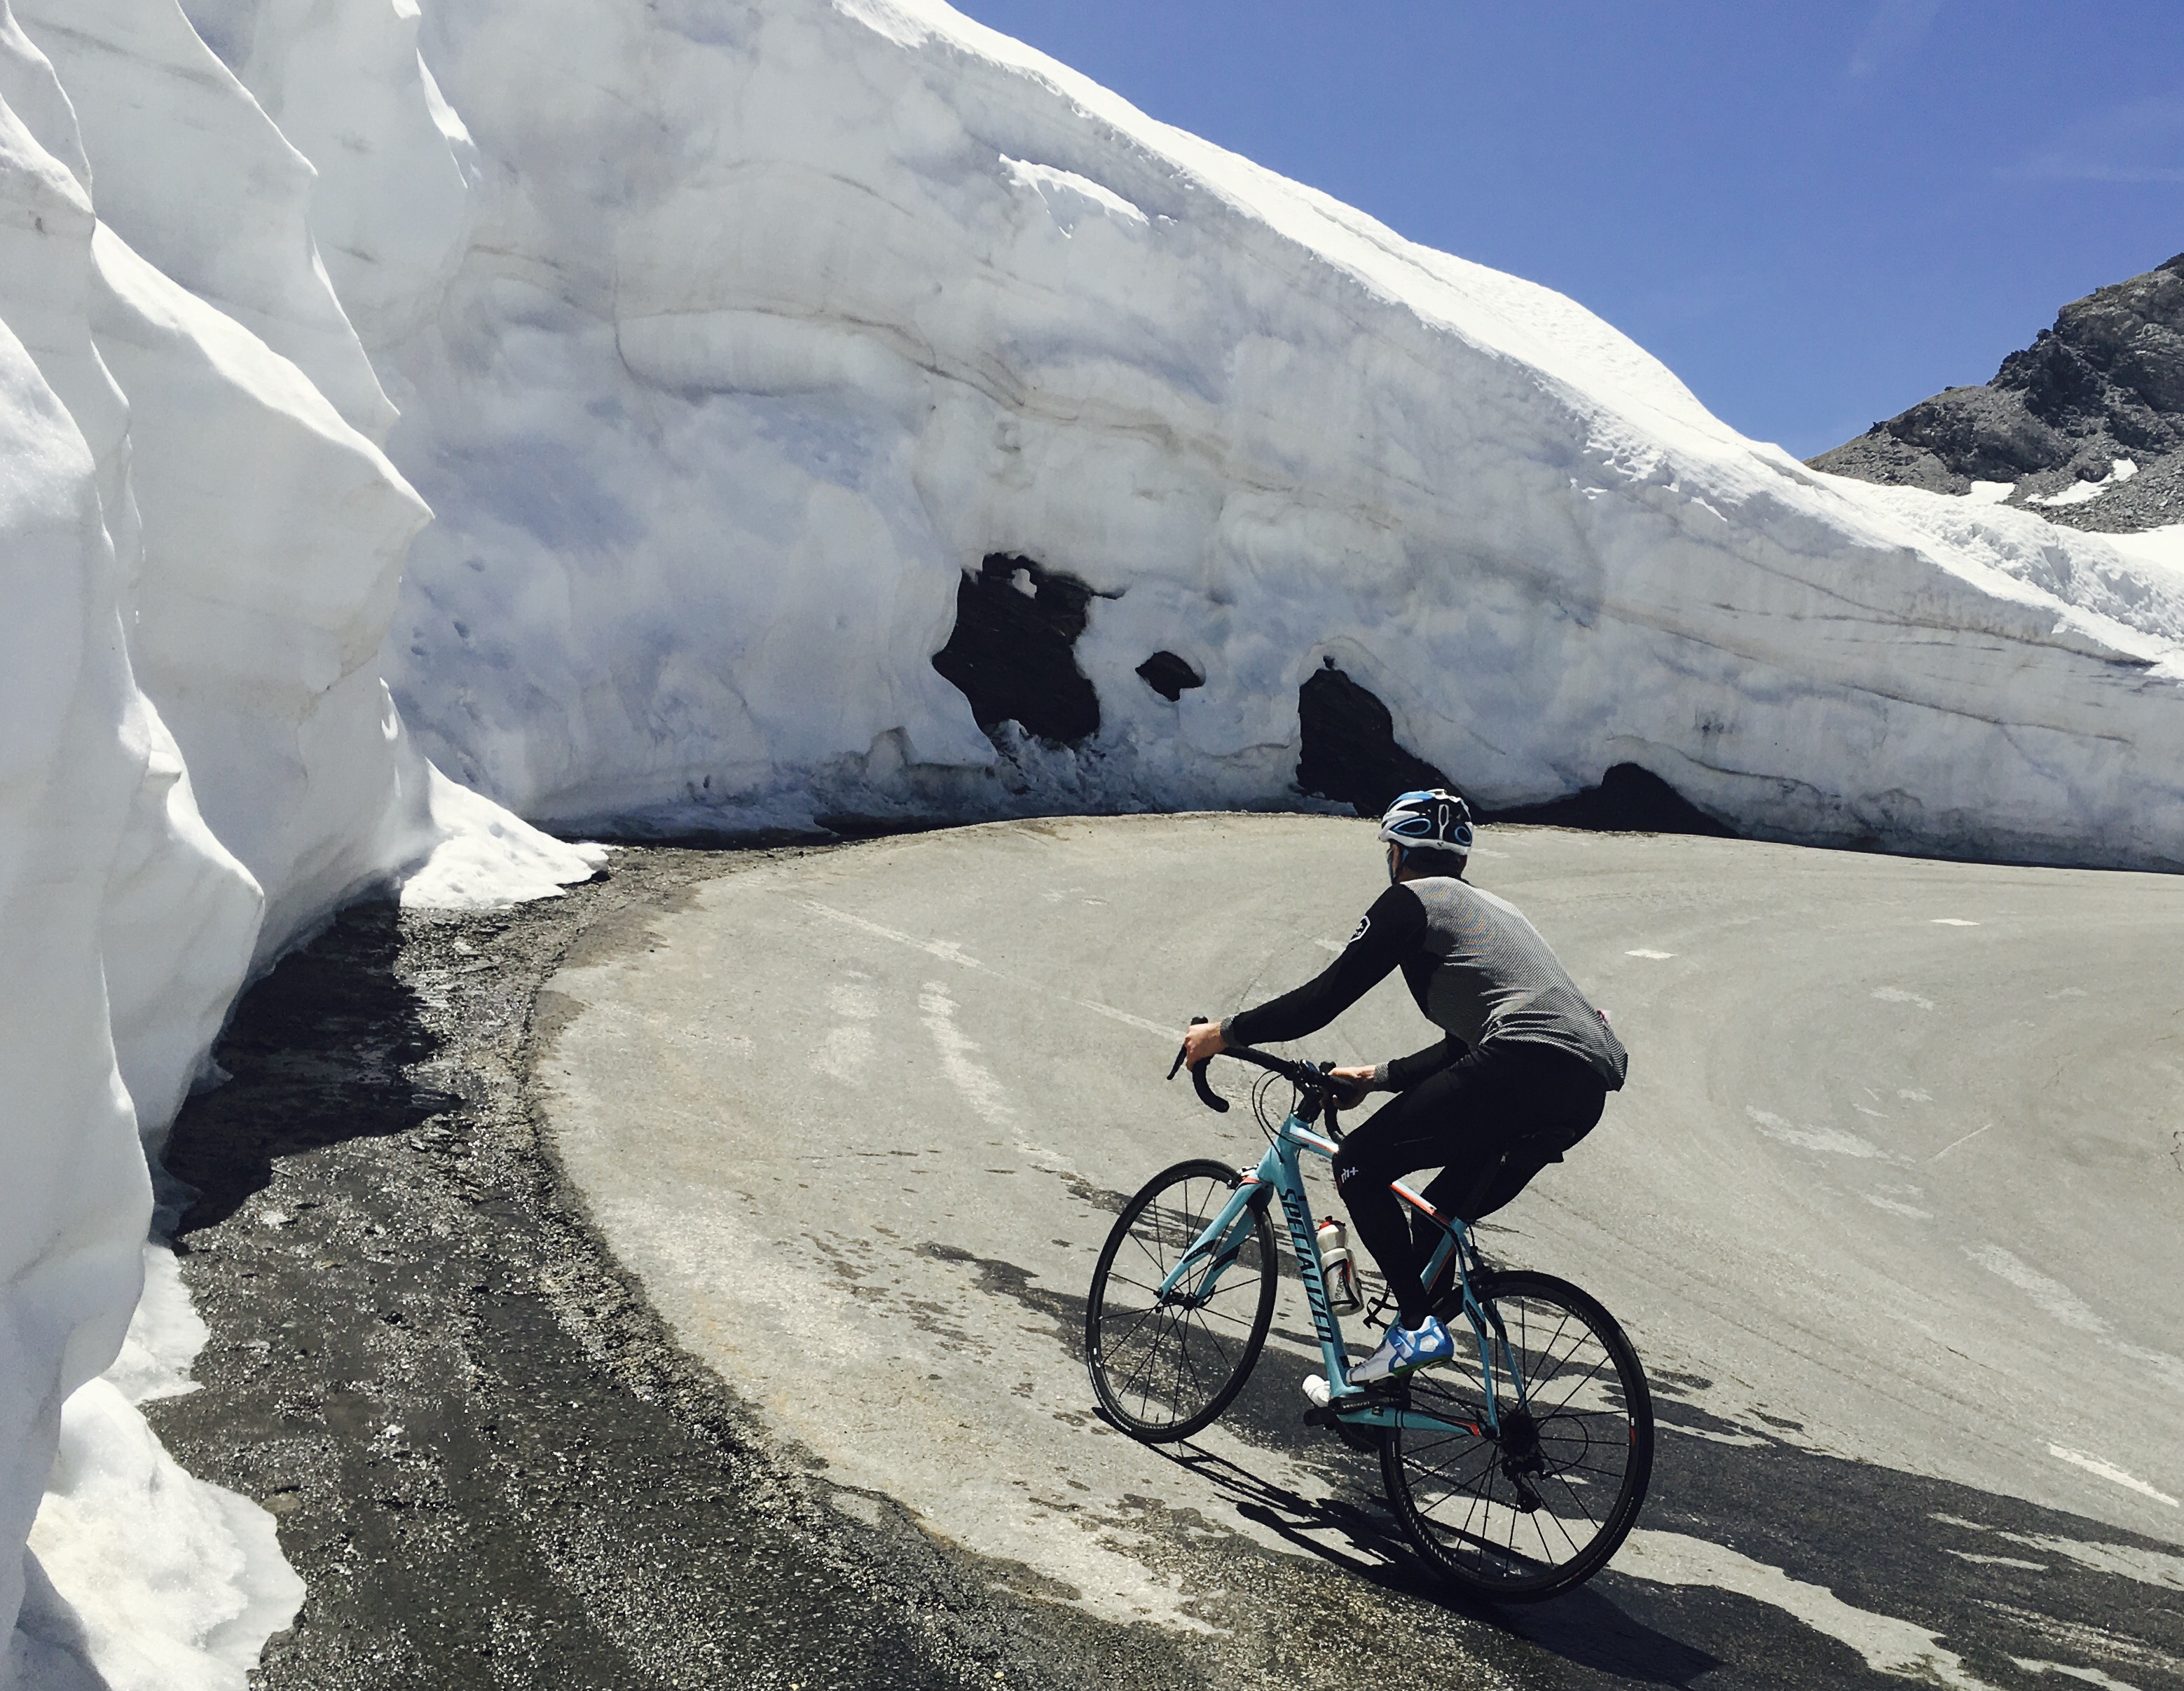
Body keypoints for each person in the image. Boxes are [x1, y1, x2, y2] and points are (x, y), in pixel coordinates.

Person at [1178, 789, 1627, 1394]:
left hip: (1521, 1065)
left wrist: (1223, 1034)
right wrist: (1376, 1076)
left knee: (1360, 1163)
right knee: (1435, 1222)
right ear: (1461, 858)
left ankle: (1415, 1328)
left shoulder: (1410, 901)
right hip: (1581, 1089)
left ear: (1395, 852)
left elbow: (1324, 998)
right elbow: (1470, 1042)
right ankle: (1384, 1395)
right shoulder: (1498, 911)